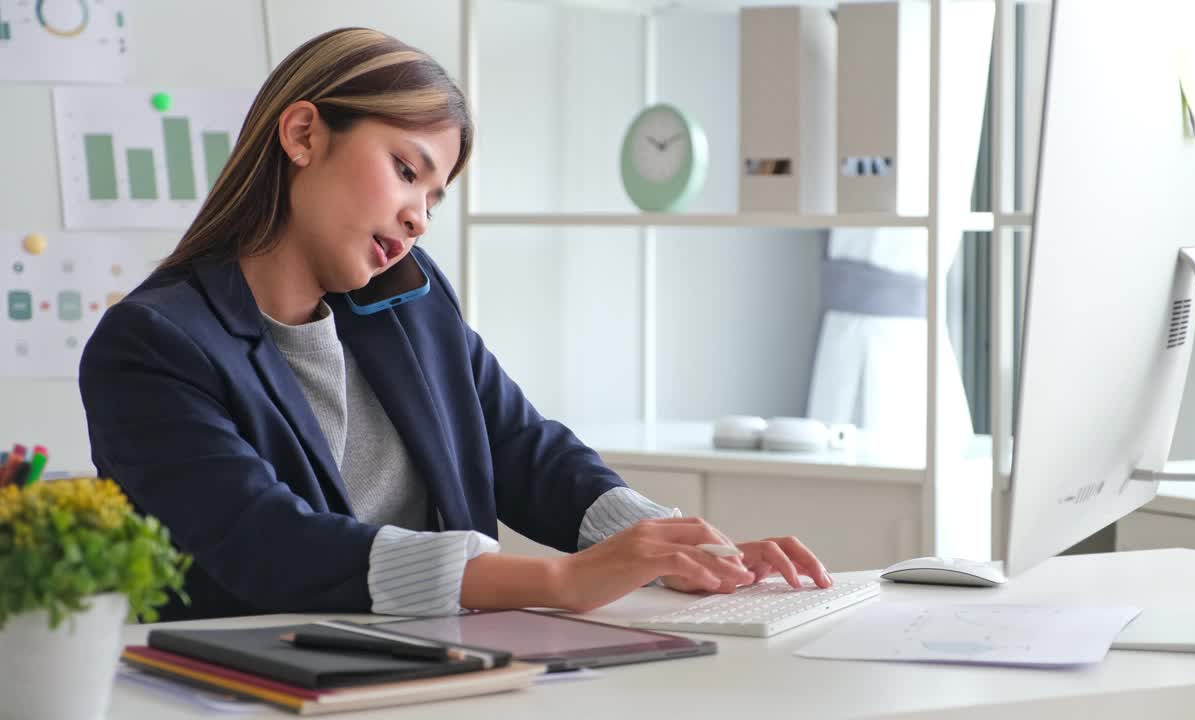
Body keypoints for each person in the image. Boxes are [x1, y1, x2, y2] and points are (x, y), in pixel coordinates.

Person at [79, 27, 832, 622]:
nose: (417, 217)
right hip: (275, 690)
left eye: (434, 199)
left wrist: (680, 545)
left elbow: (520, 447)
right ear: (304, 134)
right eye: (406, 171)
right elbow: (267, 544)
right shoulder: (151, 348)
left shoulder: (408, 294)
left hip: (458, 670)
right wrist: (559, 580)